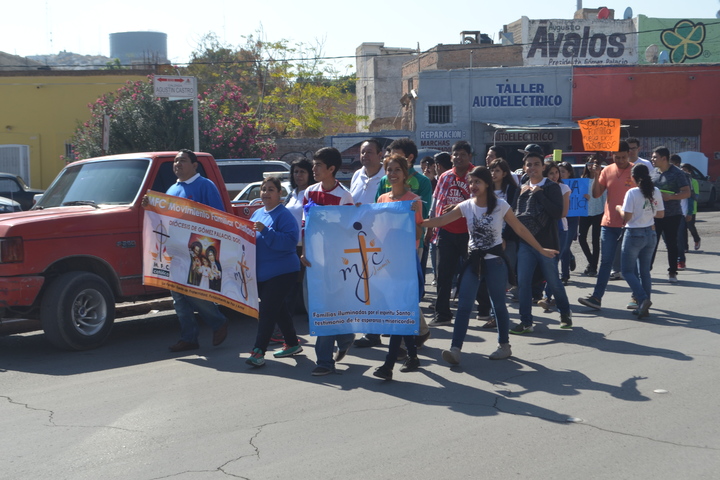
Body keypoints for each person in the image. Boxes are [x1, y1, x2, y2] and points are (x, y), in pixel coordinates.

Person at [423, 166, 558, 364]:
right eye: (470, 182)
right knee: (463, 307)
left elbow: (520, 229)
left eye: (477, 181)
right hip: (473, 262)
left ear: (487, 183)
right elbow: (441, 220)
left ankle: (504, 346)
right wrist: (417, 220)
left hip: (495, 262)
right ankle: (455, 349)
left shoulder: (501, 205)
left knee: (498, 305)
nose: (472, 186)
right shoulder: (467, 205)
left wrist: (541, 250)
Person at [142, 149, 228, 353]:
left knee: (195, 292)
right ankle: (189, 337)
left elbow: (218, 216)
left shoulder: (205, 185)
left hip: (198, 248)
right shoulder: (172, 189)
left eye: (182, 160)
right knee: (178, 297)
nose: (177, 164)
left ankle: (218, 322)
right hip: (175, 249)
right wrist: (150, 206)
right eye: (175, 161)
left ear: (195, 165)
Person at [300, 147, 356, 376]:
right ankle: (345, 335)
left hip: (335, 262)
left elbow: (350, 230)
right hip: (313, 260)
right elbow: (305, 226)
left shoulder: (345, 196)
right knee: (312, 307)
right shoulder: (309, 192)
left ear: (332, 169)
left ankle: (324, 361)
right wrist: (304, 252)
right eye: (313, 165)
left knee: (325, 308)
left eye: (318, 165)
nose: (313, 169)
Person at [372, 154, 424, 380]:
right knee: (400, 310)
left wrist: (411, 215)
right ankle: (412, 355)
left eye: (396, 170)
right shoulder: (382, 199)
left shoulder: (414, 200)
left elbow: (421, 233)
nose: (392, 174)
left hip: (405, 261)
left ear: (405, 173)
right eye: (389, 170)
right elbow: (375, 227)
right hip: (387, 261)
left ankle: (388, 365)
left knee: (397, 312)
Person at [509, 152, 573, 334]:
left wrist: (539, 195)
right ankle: (526, 321)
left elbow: (557, 213)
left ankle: (565, 313)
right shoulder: (520, 188)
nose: (533, 168)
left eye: (536, 164)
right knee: (523, 282)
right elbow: (512, 214)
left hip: (547, 245)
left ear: (543, 167)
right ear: (524, 167)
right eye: (529, 164)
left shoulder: (551, 187)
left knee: (553, 281)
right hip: (525, 244)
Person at [245, 177, 304, 367]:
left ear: (280, 194)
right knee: (278, 310)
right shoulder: (256, 214)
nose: (266, 193)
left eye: (271, 189)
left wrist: (267, 232)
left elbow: (289, 242)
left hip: (283, 272)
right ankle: (293, 343)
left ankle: (258, 351)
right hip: (262, 273)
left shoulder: (284, 215)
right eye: (263, 189)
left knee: (268, 311)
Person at [578, 141, 636, 311]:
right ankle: (597, 297)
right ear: (612, 155)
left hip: (630, 225)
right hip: (609, 223)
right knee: (606, 262)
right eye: (617, 157)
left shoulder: (636, 171)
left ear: (629, 154)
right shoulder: (607, 170)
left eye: (623, 157)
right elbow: (596, 194)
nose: (620, 160)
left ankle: (637, 296)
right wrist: (596, 175)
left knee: (630, 264)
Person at [428, 141, 474, 327]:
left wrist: (458, 207)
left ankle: (486, 310)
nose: (458, 157)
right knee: (443, 275)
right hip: (446, 231)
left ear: (470, 156)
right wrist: (430, 227)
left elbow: (482, 201)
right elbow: (436, 203)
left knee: (475, 273)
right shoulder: (445, 176)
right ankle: (443, 314)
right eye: (456, 154)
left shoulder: (477, 175)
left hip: (470, 233)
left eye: (463, 154)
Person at [615, 164, 664, 319]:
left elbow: (627, 217)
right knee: (644, 272)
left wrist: (618, 209)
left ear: (634, 177)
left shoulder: (632, 192)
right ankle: (645, 306)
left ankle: (642, 300)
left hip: (634, 233)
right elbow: (661, 214)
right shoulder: (655, 191)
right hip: (650, 232)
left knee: (627, 271)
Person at [649, 147, 690, 283]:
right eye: (652, 157)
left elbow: (687, 192)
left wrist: (670, 197)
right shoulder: (653, 173)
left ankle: (672, 272)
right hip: (655, 214)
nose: (652, 159)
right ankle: (646, 270)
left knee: (671, 243)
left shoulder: (678, 173)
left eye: (655, 157)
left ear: (664, 158)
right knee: (651, 243)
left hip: (672, 215)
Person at [536, 162, 569, 312]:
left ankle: (547, 296)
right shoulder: (539, 188)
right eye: (551, 173)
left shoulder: (564, 188)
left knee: (553, 263)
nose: (555, 176)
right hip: (542, 230)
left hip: (560, 229)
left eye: (557, 172)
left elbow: (562, 212)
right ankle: (546, 295)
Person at [578, 155, 606, 276]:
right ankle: (592, 262)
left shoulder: (602, 179)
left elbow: (604, 196)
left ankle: (593, 267)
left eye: (594, 164)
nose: (591, 166)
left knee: (595, 240)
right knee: (581, 238)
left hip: (598, 212)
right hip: (585, 212)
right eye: (589, 164)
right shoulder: (582, 179)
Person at [558, 161, 578, 284]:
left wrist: (586, 197)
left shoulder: (577, 185)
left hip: (572, 219)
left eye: (563, 172)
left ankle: (565, 275)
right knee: (563, 246)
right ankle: (570, 258)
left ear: (569, 173)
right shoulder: (555, 185)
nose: (560, 174)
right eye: (558, 172)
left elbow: (583, 199)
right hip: (560, 218)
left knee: (565, 247)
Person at [350, 138, 385, 206]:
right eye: (362, 152)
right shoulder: (357, 175)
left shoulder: (387, 177)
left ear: (380, 155)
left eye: (369, 152)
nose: (365, 155)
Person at [681, 163, 702, 252]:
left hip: (691, 209)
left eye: (685, 170)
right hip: (681, 209)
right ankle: (685, 247)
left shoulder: (693, 181)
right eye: (682, 170)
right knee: (682, 229)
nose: (683, 172)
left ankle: (696, 239)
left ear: (689, 171)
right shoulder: (679, 181)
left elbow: (695, 196)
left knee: (690, 226)